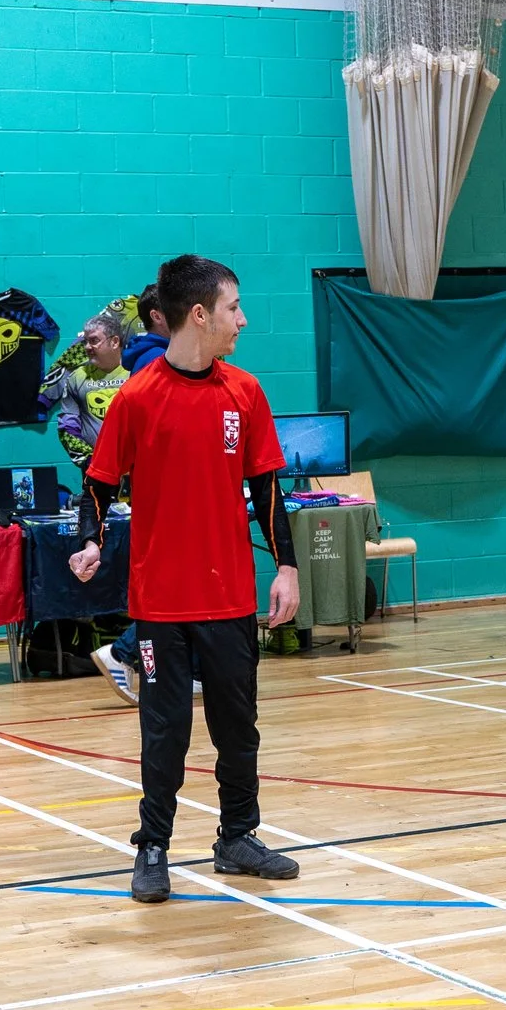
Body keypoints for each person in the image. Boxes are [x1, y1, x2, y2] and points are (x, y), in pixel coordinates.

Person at [70, 256, 301, 903]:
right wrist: (90, 540)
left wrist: (286, 566)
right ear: (199, 314)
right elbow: (98, 484)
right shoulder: (137, 398)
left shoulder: (245, 392)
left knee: (239, 726)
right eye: (233, 307)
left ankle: (238, 837)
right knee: (165, 729)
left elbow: (267, 491)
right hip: (162, 602)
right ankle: (153, 846)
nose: (242, 320)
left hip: (230, 596)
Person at [92, 289, 172, 703]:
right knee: (173, 592)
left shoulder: (154, 358)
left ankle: (189, 668)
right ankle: (122, 651)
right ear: (159, 316)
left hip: (164, 495)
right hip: (165, 498)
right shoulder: (154, 364)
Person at [40, 310, 133, 468]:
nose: (87, 347)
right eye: (85, 342)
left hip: (138, 467)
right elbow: (67, 427)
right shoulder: (77, 378)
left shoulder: (137, 372)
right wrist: (90, 461)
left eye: (94, 341)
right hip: (95, 469)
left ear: (115, 342)